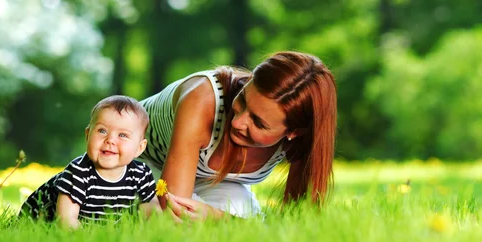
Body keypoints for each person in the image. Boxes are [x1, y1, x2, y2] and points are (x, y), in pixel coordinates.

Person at [138, 51, 337, 221]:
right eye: (242, 99)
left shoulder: (300, 140)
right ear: (249, 80)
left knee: (242, 211)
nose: (237, 122)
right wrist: (221, 220)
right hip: (132, 162)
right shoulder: (201, 98)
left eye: (259, 123)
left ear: (293, 133)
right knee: (153, 213)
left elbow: (299, 221)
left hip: (207, 181)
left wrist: (219, 218)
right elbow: (172, 207)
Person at [20, 95, 159, 228]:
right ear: (88, 135)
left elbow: (147, 216)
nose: (110, 140)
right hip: (36, 223)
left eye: (122, 135)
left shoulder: (141, 174)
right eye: (102, 131)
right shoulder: (78, 172)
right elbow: (65, 221)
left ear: (139, 148)